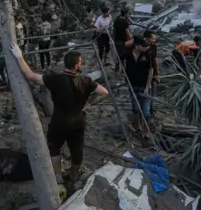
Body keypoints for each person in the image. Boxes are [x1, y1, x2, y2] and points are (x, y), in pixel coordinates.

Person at [10, 43, 108, 192]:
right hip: (78, 121)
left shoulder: (55, 79)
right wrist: (90, 104)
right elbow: (104, 92)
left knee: (54, 147)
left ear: (65, 64)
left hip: (59, 121)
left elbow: (29, 75)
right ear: (76, 65)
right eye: (80, 63)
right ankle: (74, 176)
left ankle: (58, 176)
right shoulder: (86, 81)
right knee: (77, 150)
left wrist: (18, 56)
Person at [122, 36, 154, 139]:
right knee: (135, 108)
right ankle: (137, 125)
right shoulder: (128, 53)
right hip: (132, 84)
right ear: (136, 45)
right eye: (143, 46)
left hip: (145, 85)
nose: (146, 47)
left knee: (146, 111)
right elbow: (118, 56)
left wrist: (147, 87)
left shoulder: (148, 55)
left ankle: (146, 132)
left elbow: (151, 71)